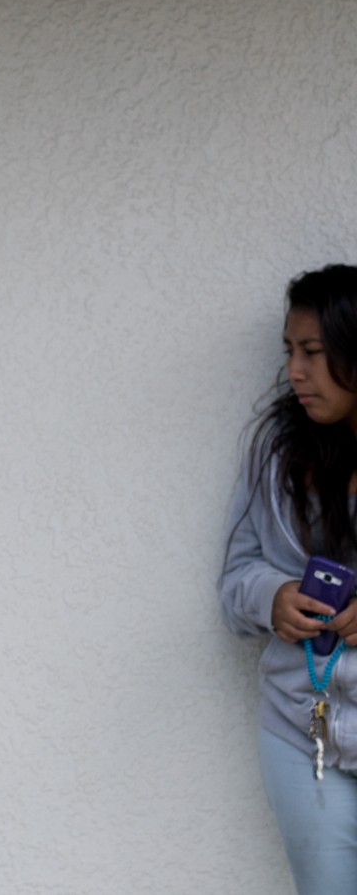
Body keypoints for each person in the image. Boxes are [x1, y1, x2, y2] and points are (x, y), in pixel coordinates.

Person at [220, 264, 357, 893]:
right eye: (289, 351)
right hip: (304, 730)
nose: (295, 371)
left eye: (313, 352)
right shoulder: (275, 450)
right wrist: (271, 596)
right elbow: (234, 577)